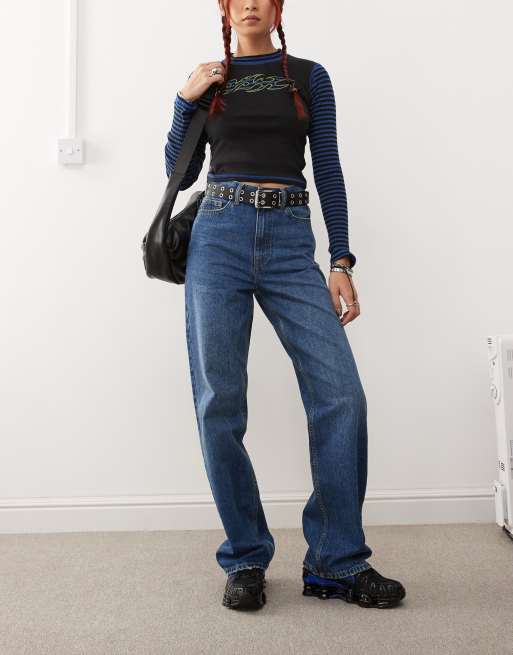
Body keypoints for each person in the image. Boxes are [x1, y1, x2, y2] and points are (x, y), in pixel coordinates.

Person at [165, 0, 406, 611]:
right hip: (217, 234)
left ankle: (336, 560)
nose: (249, 3)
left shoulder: (307, 76)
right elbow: (179, 174)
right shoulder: (210, 81)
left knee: (341, 395)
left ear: (277, 7)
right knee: (219, 400)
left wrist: (341, 259)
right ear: (224, 8)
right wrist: (184, 102)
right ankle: (245, 556)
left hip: (291, 237)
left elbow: (328, 168)